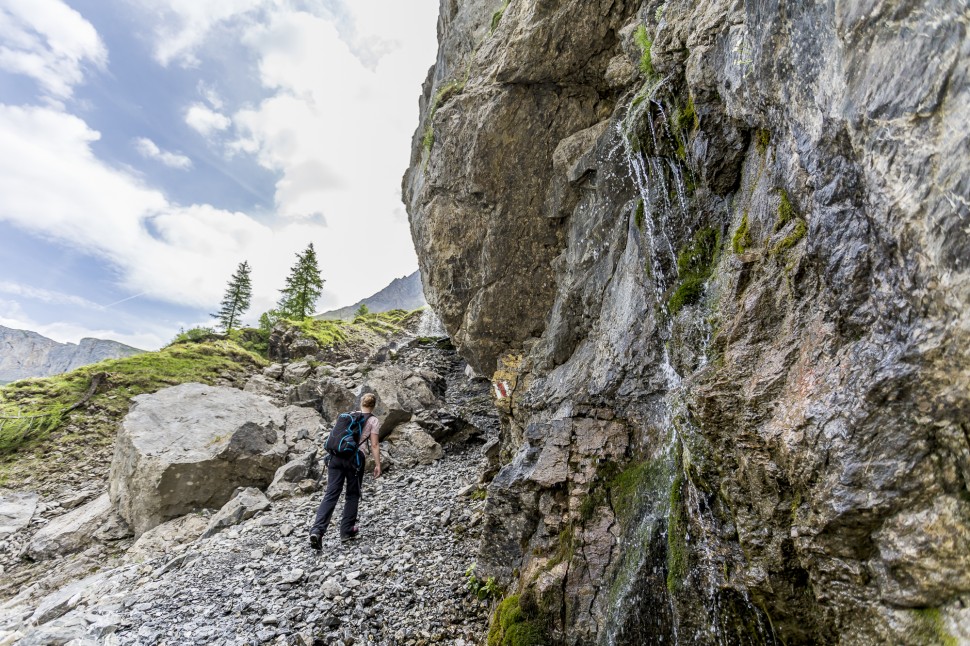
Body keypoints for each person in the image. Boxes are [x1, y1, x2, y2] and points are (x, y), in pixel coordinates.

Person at [309, 393, 382, 548]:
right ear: (374, 405)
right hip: (354, 460)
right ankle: (346, 531)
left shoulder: (348, 416)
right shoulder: (373, 420)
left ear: (361, 403)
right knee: (352, 494)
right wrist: (378, 465)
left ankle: (317, 531)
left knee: (331, 494)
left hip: (335, 458)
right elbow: (374, 445)